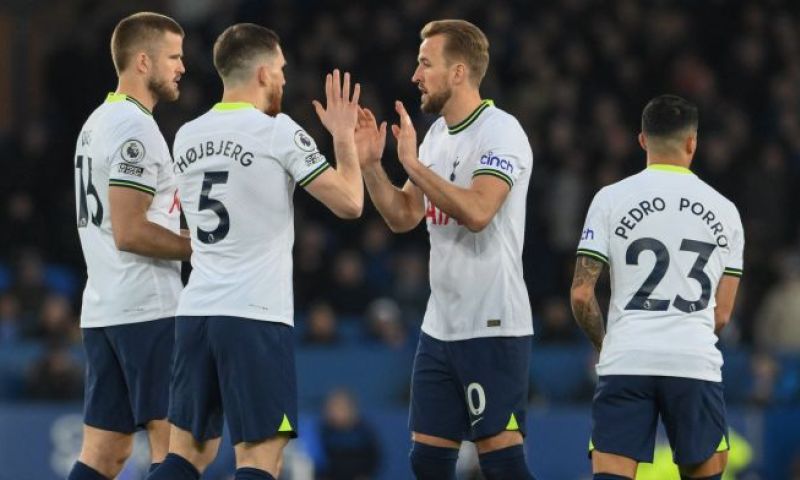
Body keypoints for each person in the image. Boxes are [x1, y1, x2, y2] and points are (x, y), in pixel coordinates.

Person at [146, 23, 363, 480]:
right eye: (281, 69)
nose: (285, 78)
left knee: (186, 456)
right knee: (262, 458)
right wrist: (344, 137)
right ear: (264, 73)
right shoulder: (276, 130)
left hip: (196, 313)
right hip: (255, 316)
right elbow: (350, 202)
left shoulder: (185, 135)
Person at [355, 19, 535, 480]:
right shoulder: (436, 136)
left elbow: (478, 211)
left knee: (502, 466)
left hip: (493, 323)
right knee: (427, 461)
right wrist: (374, 167)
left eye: (425, 63)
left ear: (458, 72)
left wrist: (413, 166)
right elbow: (403, 217)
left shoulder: (501, 132)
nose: (416, 74)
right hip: (441, 326)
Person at [570, 94, 744, 480]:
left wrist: (606, 345)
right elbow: (724, 312)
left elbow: (582, 294)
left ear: (643, 140)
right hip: (694, 362)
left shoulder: (610, 199)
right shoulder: (726, 211)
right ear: (692, 142)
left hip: (627, 358)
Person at [68, 12, 190, 480]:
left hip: (105, 309)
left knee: (106, 453)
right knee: (174, 446)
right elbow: (131, 231)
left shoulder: (97, 122)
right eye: (174, 56)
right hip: (148, 309)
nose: (182, 66)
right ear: (143, 61)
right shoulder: (134, 129)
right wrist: (201, 248)